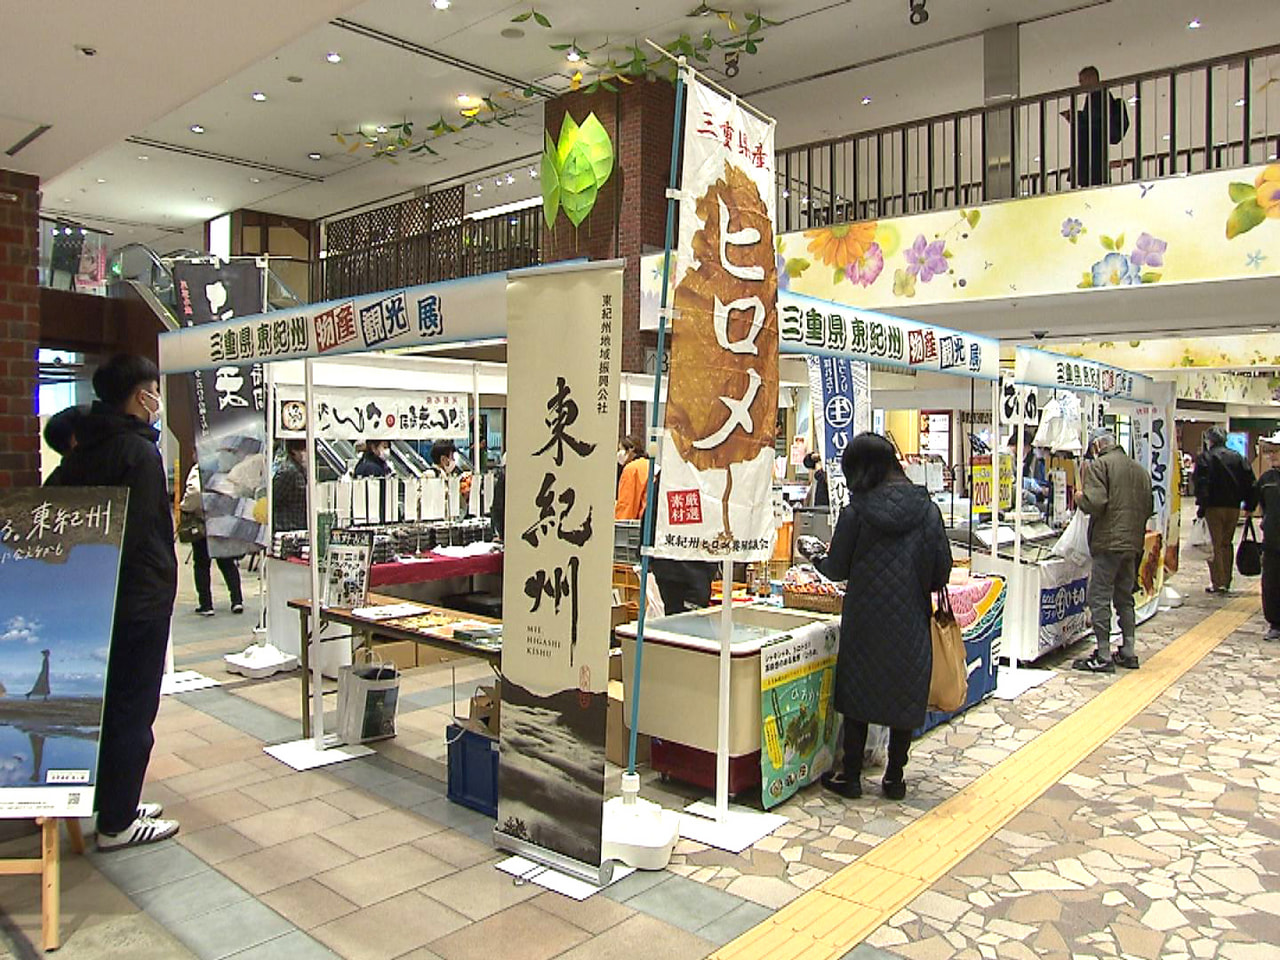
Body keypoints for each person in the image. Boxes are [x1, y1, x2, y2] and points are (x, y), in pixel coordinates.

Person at [45, 354, 180, 849]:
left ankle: (113, 799)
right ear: (141, 395)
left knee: (110, 705)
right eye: (154, 390)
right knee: (132, 708)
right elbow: (142, 532)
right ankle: (117, 823)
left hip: (94, 600)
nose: (157, 400)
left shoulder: (83, 451)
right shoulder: (138, 455)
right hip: (138, 603)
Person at [807, 432, 952, 801]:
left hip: (865, 620)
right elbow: (942, 571)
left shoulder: (857, 511)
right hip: (911, 618)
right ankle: (895, 778)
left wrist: (814, 558)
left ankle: (851, 776)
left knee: (858, 695)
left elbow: (837, 567)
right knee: (903, 695)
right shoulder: (927, 510)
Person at [1072, 427, 1154, 673]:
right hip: (1132, 543)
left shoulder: (1100, 466)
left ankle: (1104, 653)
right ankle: (1128, 650)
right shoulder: (1139, 470)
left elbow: (1096, 503)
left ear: (1097, 446)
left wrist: (1079, 498)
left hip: (1107, 543)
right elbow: (1149, 506)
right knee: (1124, 596)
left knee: (1099, 597)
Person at [1193, 426, 1257, 595]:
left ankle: (1218, 582)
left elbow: (1202, 484)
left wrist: (1202, 506)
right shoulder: (1238, 458)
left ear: (1210, 440)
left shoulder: (1205, 458)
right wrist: (1250, 505)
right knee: (1226, 543)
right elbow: (1250, 483)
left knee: (1215, 544)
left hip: (1214, 507)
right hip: (1234, 507)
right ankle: (1226, 581)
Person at [180, 465, 244, 616]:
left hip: (204, 522)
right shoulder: (222, 466)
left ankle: (206, 604)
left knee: (201, 564)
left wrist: (185, 506)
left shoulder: (199, 469)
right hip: (222, 520)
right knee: (226, 562)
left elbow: (194, 492)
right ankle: (237, 600)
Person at [1068, 66, 1130, 188]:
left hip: (1093, 156)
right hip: (1094, 156)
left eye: (1082, 80)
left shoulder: (1099, 97)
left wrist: (1077, 118)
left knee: (1093, 182)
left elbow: (1094, 123)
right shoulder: (1098, 96)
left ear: (1091, 79)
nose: (1080, 85)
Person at [1254, 464, 1280, 641]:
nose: (1273, 455)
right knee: (1271, 583)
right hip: (1272, 539)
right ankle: (1275, 624)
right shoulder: (1268, 479)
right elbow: (1261, 503)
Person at [273, 439, 309, 533]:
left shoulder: (301, 471)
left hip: (300, 528)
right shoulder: (288, 472)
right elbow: (273, 499)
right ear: (294, 452)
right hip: (288, 529)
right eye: (305, 450)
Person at [615, 434, 650, 521]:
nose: (618, 453)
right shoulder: (649, 465)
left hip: (642, 522)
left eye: (620, 449)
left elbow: (626, 505)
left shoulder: (631, 469)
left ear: (631, 449)